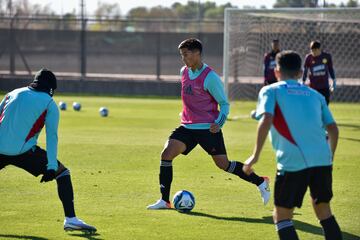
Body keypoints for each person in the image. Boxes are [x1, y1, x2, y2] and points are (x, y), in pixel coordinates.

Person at [147, 38, 270, 210]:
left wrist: (219, 123)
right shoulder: (184, 71)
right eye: (181, 55)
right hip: (187, 127)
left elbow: (225, 104)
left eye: (186, 54)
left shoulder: (210, 77)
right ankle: (164, 200)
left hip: (208, 129)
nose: (183, 58)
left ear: (197, 53)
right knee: (166, 154)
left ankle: (260, 181)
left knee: (224, 164)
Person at [244, 51, 342, 240]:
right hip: (322, 159)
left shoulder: (270, 90)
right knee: (324, 210)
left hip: (293, 162)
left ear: (277, 70)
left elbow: (266, 119)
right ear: (300, 72)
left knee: (281, 216)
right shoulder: (315, 95)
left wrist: (254, 156)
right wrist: (330, 156)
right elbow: (333, 129)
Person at [0, 69, 97, 233]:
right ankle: (71, 219)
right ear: (51, 88)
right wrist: (51, 167)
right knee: (63, 173)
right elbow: (52, 137)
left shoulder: (12, 93)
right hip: (24, 152)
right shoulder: (49, 103)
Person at [303, 40, 336, 105]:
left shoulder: (327, 56)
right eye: (312, 50)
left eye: (315, 50)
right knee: (313, 106)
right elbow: (305, 70)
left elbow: (330, 69)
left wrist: (334, 80)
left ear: (319, 49)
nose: (313, 52)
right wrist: (303, 81)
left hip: (324, 87)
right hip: (313, 87)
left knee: (325, 106)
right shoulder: (308, 58)